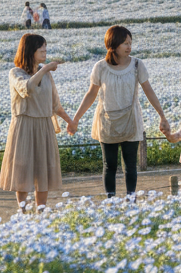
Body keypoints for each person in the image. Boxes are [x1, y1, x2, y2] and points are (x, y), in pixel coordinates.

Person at [67, 25, 171, 199]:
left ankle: (131, 201)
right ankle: (111, 202)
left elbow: (148, 90)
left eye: (130, 42)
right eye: (124, 43)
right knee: (110, 165)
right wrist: (75, 119)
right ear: (113, 45)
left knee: (130, 165)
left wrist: (162, 116)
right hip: (107, 120)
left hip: (131, 119)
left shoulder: (137, 65)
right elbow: (91, 94)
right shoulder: (100, 67)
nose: (129, 47)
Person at [0, 33, 72, 211]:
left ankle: (41, 210)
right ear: (30, 51)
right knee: (22, 170)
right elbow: (27, 88)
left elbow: (55, 105)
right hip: (24, 126)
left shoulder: (46, 75)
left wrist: (71, 121)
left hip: (44, 125)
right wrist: (45, 69)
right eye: (41, 49)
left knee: (43, 171)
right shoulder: (16, 73)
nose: (45, 52)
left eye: (46, 49)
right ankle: (23, 210)